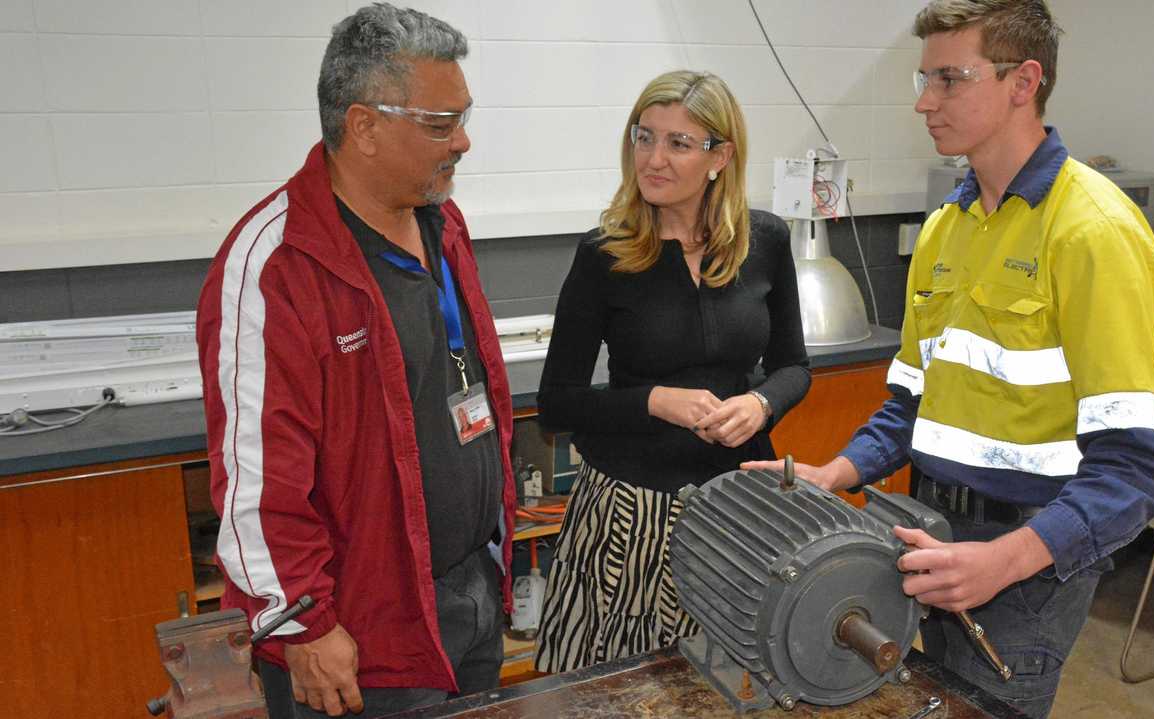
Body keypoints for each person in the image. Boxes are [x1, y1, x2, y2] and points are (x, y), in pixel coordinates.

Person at [745, 2, 1154, 716]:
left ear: (1023, 82)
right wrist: (834, 472)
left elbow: (1133, 472)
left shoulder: (1092, 231)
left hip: (1025, 565)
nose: (923, 103)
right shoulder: (948, 227)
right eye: (923, 78)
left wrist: (1001, 561)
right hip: (928, 539)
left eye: (949, 79)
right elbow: (910, 408)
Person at [196, 5, 515, 717]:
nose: (462, 141)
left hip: (468, 594)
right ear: (364, 125)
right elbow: (255, 479)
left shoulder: (442, 220)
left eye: (463, 116)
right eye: (439, 123)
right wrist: (302, 621)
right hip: (359, 629)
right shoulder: (278, 266)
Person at [532, 70, 811, 673]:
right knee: (614, 689)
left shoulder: (764, 240)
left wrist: (760, 406)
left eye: (679, 143)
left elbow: (793, 367)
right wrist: (653, 400)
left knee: (721, 681)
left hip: (736, 506)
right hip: (628, 516)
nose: (653, 159)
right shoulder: (605, 253)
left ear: (721, 156)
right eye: (643, 137)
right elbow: (556, 403)